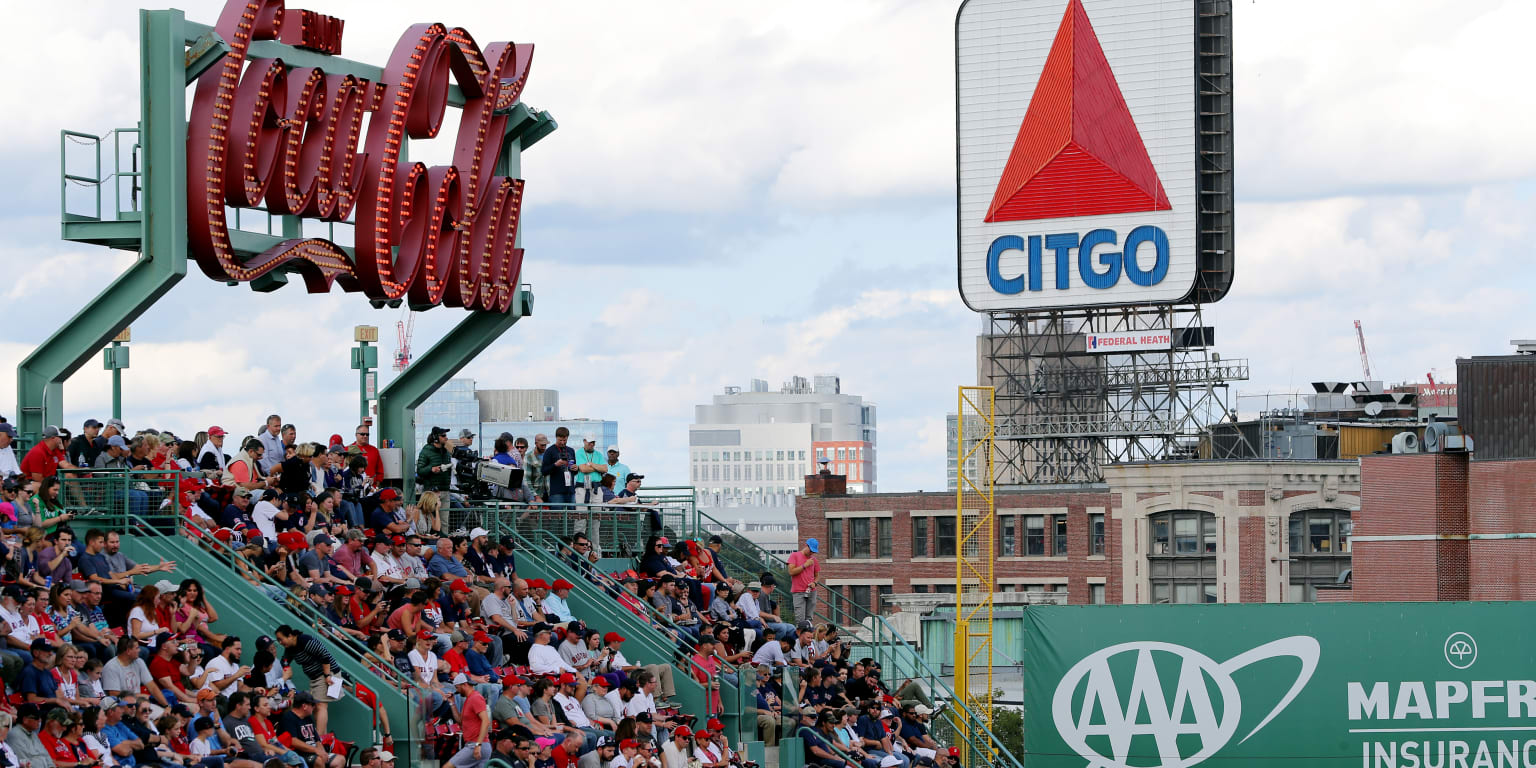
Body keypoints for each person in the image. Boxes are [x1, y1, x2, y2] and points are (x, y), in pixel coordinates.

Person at [272, 626, 339, 735]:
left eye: (281, 639)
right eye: (278, 640)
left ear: (290, 635)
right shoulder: (290, 648)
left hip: (327, 674)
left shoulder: (305, 641)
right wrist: (286, 668)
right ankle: (323, 737)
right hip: (315, 678)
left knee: (321, 705)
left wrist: (327, 675)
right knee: (316, 707)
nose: (280, 642)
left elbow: (324, 655)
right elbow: (285, 661)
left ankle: (320, 739)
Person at [787, 539, 820, 623]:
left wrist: (814, 583)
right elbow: (791, 571)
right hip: (798, 591)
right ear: (806, 546)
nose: (811, 553)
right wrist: (805, 565)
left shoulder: (814, 560)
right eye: (811, 550)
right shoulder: (794, 555)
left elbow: (817, 576)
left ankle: (808, 635)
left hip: (811, 591)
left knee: (809, 618)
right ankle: (801, 634)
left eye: (813, 552)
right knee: (800, 618)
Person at [416, 428, 453, 495]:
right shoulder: (426, 451)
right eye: (443, 436)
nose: (446, 438)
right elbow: (419, 470)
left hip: (445, 491)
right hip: (431, 492)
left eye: (446, 435)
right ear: (435, 438)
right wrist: (431, 469)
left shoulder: (446, 452)